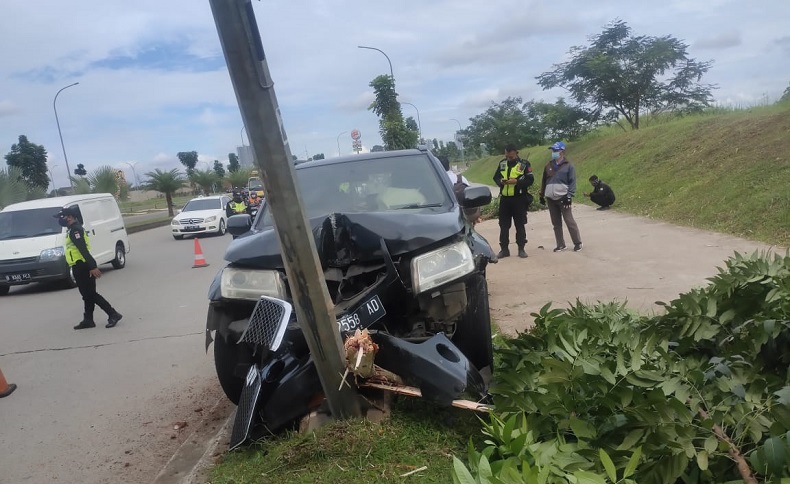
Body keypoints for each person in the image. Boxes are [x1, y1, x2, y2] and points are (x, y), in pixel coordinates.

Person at [55, 206, 122, 330]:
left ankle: (113, 314)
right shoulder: (72, 230)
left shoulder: (75, 230)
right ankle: (88, 319)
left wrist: (92, 266)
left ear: (69, 217)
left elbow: (83, 250)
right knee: (87, 294)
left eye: (62, 217)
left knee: (90, 294)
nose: (60, 220)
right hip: (79, 265)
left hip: (82, 265)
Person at [539, 141, 583, 252]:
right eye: (552, 150)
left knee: (569, 220)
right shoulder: (548, 165)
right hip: (550, 198)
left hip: (563, 198)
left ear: (562, 152)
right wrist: (542, 194)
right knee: (556, 223)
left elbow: (572, 182)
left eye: (555, 150)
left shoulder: (569, 166)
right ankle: (560, 244)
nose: (553, 152)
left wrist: (569, 196)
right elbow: (544, 181)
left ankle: (577, 242)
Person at [492, 144, 534, 258]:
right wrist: (501, 181)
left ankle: (521, 248)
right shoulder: (502, 163)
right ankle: (504, 249)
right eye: (506, 154)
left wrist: (516, 182)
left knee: (520, 224)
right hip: (505, 199)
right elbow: (495, 177)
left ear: (516, 152)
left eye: (510, 155)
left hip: (519, 199)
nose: (508, 157)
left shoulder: (524, 164)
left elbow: (530, 180)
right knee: (503, 225)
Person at [438, 155, 480, 224]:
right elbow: (472, 196)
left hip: (442, 219)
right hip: (464, 217)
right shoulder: (461, 178)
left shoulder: (435, 182)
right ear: (449, 165)